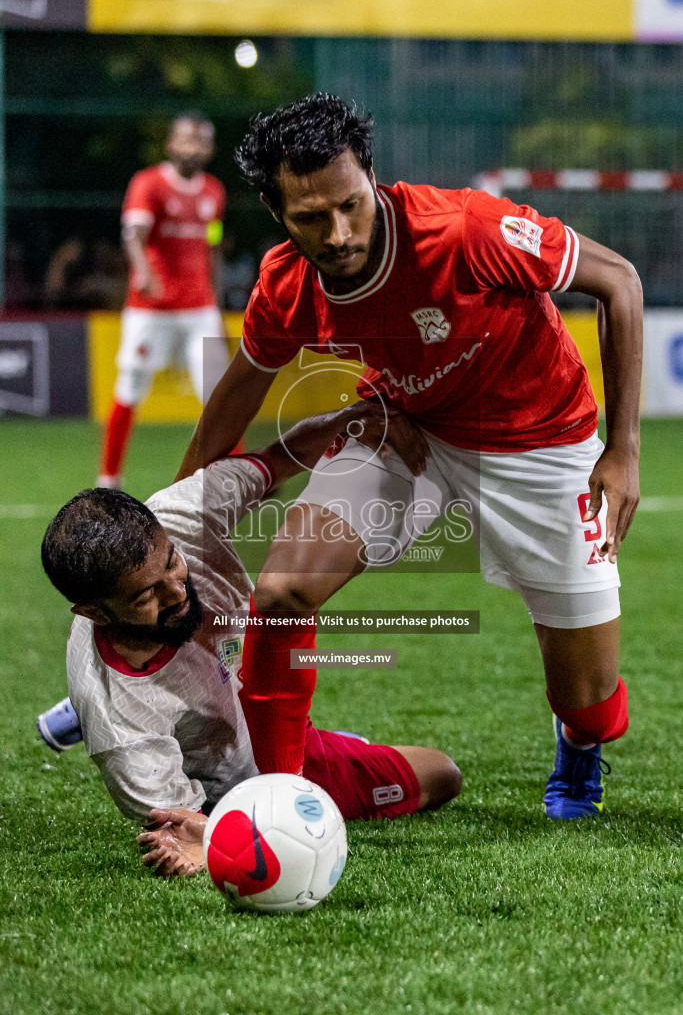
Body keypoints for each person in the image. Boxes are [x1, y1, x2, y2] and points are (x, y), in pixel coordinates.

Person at [175, 93, 643, 821]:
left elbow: (617, 281)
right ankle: (274, 795)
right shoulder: (286, 285)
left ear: (370, 175)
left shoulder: (464, 229)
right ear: (275, 211)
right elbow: (235, 398)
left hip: (541, 444)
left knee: (590, 704)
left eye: (350, 205)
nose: (337, 233)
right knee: (281, 593)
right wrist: (175, 527)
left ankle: (577, 743)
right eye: (309, 217)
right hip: (407, 430)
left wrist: (622, 450)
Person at [41, 400, 461, 876]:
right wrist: (216, 840)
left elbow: (278, 458)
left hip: (253, 702)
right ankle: (83, 712)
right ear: (94, 613)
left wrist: (353, 420)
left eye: (172, 563)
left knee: (444, 775)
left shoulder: (181, 512)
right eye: (145, 597)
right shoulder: (120, 725)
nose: (177, 591)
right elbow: (183, 829)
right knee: (435, 778)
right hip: (240, 785)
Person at [98, 112, 231, 488]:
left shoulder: (214, 192)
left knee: (220, 393)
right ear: (171, 144)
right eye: (187, 139)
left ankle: (241, 477)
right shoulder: (149, 184)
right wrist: (144, 272)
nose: (194, 147)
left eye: (202, 140)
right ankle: (109, 479)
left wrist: (217, 301)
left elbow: (213, 244)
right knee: (131, 386)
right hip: (151, 309)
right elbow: (133, 235)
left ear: (210, 148)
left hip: (199, 307)